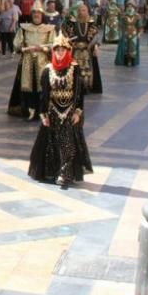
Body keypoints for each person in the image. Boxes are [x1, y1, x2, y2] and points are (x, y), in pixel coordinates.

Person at [28, 32, 93, 188]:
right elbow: (44, 95)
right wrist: (43, 114)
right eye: (57, 50)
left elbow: (79, 92)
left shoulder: (74, 68)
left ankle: (65, 173)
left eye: (62, 50)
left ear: (67, 51)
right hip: (52, 112)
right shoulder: (47, 70)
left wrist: (78, 111)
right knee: (52, 143)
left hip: (69, 111)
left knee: (68, 143)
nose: (59, 53)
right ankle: (53, 171)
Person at [7, 0, 55, 120]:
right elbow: (17, 43)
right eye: (34, 14)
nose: (36, 16)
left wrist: (43, 48)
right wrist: (22, 48)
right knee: (27, 85)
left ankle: (42, 110)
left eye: (38, 14)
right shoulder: (24, 28)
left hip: (42, 61)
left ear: (42, 15)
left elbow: (54, 44)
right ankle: (28, 110)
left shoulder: (49, 29)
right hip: (27, 60)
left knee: (42, 85)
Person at [62, 3, 103, 94]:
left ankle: (86, 87)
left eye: (84, 10)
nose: (81, 12)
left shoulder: (91, 22)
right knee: (75, 68)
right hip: (75, 49)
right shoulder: (72, 23)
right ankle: (75, 86)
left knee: (87, 69)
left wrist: (95, 46)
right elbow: (65, 31)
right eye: (80, 10)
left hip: (87, 50)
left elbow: (96, 35)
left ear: (87, 11)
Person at [114, 2, 141, 67]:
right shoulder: (124, 15)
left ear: (134, 7)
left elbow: (139, 26)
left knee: (132, 47)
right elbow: (120, 25)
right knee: (125, 47)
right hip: (125, 33)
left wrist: (139, 33)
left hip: (134, 33)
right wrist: (120, 33)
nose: (130, 8)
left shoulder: (137, 16)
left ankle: (132, 60)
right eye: (128, 6)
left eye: (131, 6)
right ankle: (127, 61)